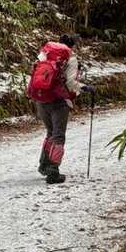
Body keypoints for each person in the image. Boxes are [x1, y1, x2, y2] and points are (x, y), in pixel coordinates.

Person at [27, 33, 90, 184]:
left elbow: (35, 71)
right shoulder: (71, 58)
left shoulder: (46, 52)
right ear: (72, 46)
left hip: (41, 96)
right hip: (59, 101)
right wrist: (84, 87)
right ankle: (53, 171)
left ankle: (44, 165)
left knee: (50, 132)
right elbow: (70, 83)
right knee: (58, 135)